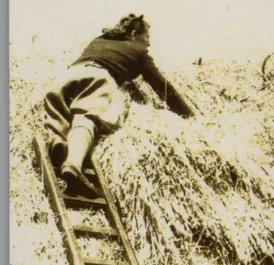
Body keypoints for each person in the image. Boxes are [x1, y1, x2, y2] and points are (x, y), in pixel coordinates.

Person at [43, 13, 194, 197]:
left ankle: (58, 142)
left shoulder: (99, 39)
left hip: (68, 76)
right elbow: (161, 86)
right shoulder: (139, 52)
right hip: (97, 76)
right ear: (133, 34)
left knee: (60, 113)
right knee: (88, 116)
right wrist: (187, 113)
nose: (148, 43)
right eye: (146, 37)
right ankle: (73, 165)